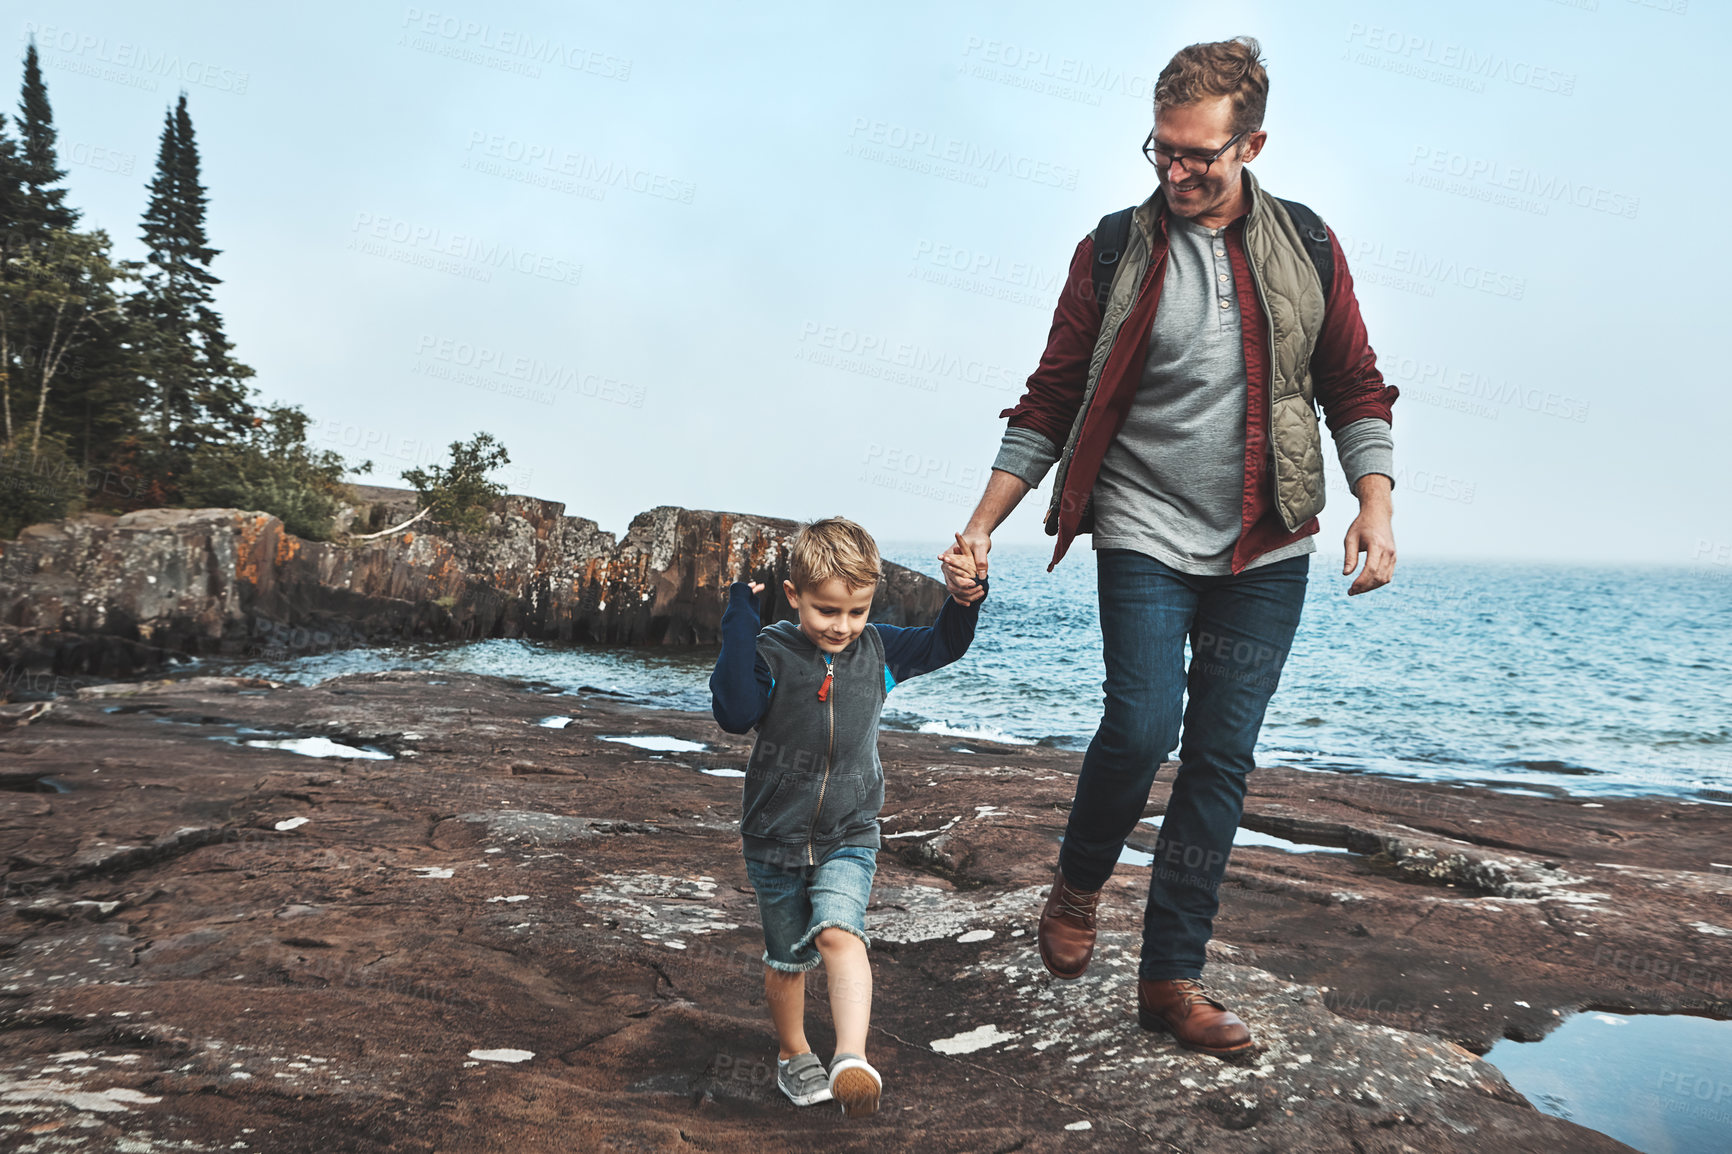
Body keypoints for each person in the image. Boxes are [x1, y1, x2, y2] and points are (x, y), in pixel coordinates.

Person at [946, 36, 1399, 1059]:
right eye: (1160, 151)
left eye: (1198, 154)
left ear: (1252, 143)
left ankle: (1169, 980)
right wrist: (983, 521)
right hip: (1144, 527)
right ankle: (1078, 879)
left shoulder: (1309, 246)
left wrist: (1374, 504)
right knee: (1143, 723)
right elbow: (1053, 395)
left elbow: (1354, 384)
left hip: (1267, 543)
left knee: (1220, 761)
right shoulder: (1112, 250)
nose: (1175, 172)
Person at [711, 518, 986, 1113]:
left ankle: (851, 1058)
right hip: (775, 838)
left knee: (840, 933)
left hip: (849, 834)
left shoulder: (878, 651)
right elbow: (734, 711)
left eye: (856, 611)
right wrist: (739, 621)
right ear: (794, 597)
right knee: (788, 960)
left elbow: (944, 643)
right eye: (827, 611)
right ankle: (793, 1054)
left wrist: (965, 600)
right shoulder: (771, 654)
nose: (843, 626)